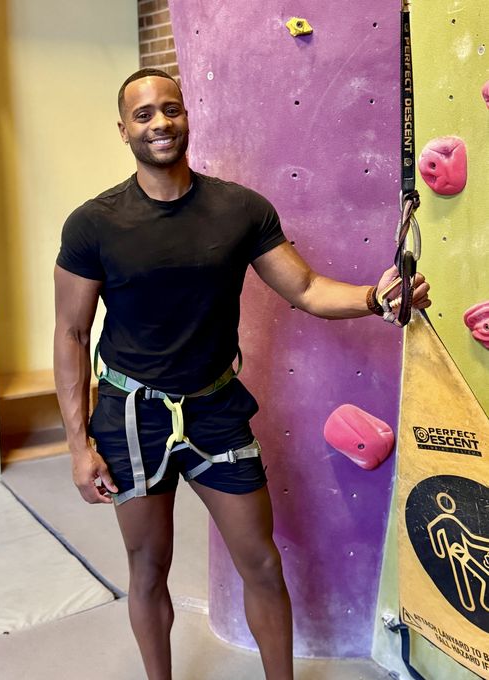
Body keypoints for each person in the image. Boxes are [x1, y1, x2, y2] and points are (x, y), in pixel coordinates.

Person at [54, 67, 431, 680]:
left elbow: (305, 288)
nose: (160, 124)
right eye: (143, 115)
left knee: (261, 564)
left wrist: (375, 298)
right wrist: (78, 446)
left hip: (215, 407)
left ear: (187, 116)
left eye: (170, 109)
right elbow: (71, 334)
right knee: (147, 567)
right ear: (122, 129)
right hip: (130, 416)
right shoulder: (92, 224)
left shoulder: (240, 209)